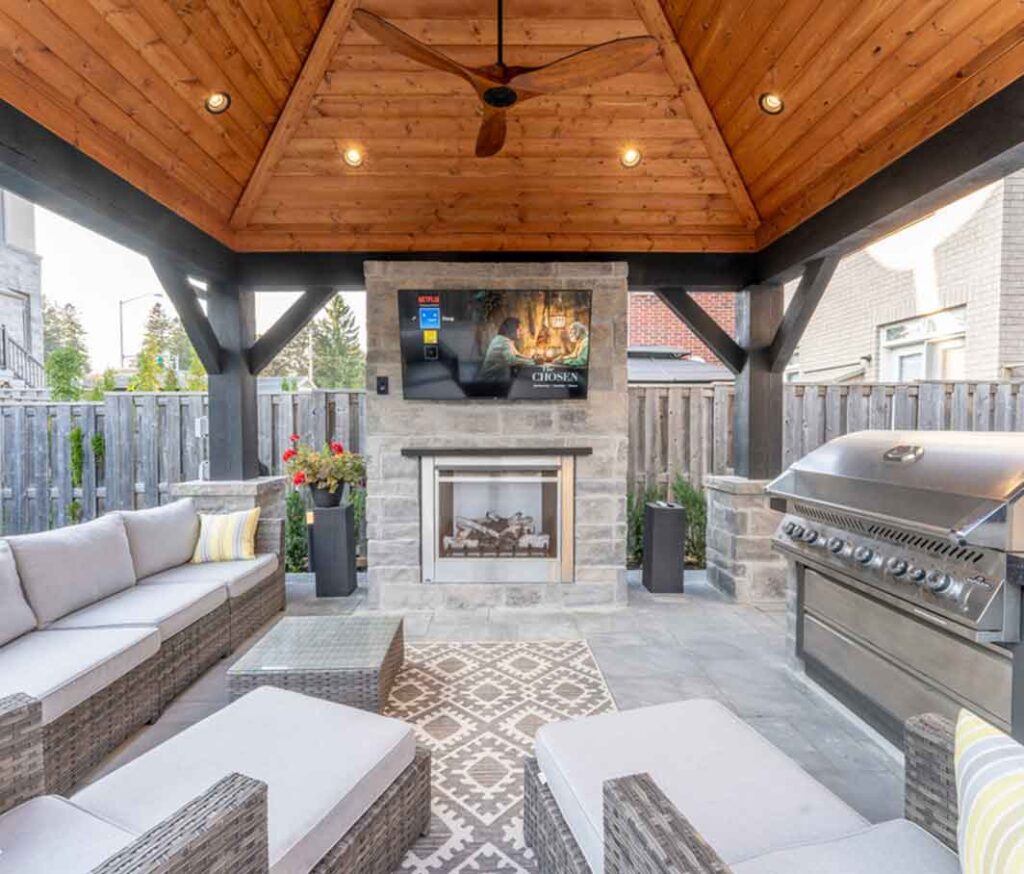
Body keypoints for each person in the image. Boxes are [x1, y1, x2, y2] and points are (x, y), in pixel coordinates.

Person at [477, 317, 536, 383]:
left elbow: (517, 355)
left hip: (495, 379)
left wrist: (532, 360)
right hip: (488, 382)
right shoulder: (503, 341)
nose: (521, 332)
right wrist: (532, 362)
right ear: (512, 329)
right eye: (519, 329)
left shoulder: (507, 340)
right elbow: (511, 360)